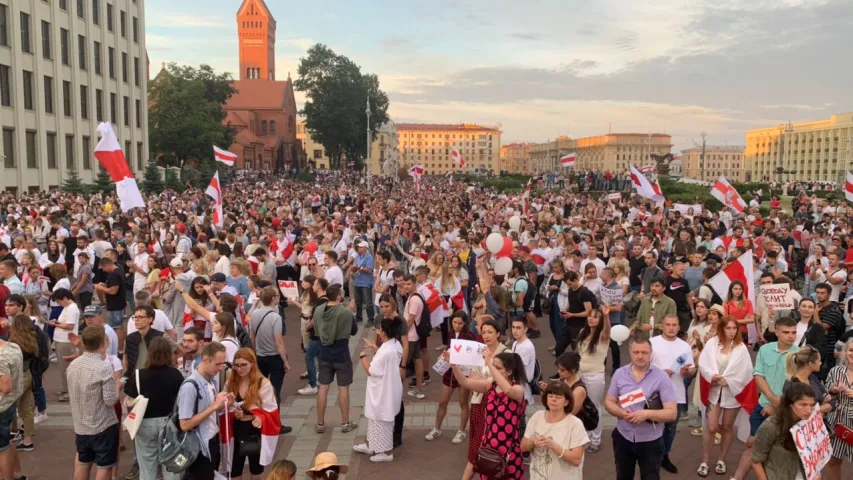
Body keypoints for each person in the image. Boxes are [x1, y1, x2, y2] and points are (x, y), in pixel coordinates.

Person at [731, 316, 798, 480]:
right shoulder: (765, 349)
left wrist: (777, 406)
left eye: (794, 332)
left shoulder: (799, 354)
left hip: (787, 411)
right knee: (752, 443)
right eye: (786, 332)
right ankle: (737, 477)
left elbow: (798, 385)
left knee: (780, 450)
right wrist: (770, 397)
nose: (791, 335)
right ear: (777, 332)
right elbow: (759, 375)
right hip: (762, 405)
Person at [604, 336, 678, 480]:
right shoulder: (619, 374)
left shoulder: (661, 377)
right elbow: (609, 401)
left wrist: (646, 414)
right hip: (623, 437)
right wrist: (620, 412)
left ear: (651, 353)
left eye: (644, 353)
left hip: (651, 441)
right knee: (623, 476)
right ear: (630, 353)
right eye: (636, 352)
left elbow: (672, 413)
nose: (640, 356)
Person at [451, 350, 527, 480]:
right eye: (494, 367)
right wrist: (453, 365)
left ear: (509, 372)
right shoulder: (490, 385)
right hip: (488, 446)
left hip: (508, 450)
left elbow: (508, 390)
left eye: (498, 368)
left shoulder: (518, 390)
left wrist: (489, 364)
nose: (494, 370)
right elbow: (465, 382)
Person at [696, 316, 756, 477]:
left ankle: (722, 459)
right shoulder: (712, 344)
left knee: (728, 426)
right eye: (728, 328)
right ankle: (705, 460)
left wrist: (728, 380)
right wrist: (712, 376)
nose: (731, 331)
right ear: (722, 329)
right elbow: (703, 363)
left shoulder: (741, 348)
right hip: (714, 390)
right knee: (712, 426)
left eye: (734, 328)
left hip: (732, 393)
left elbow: (746, 372)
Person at [123, 336, 183, 480]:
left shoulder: (139, 375)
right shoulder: (176, 374)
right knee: (171, 467)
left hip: (144, 423)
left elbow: (129, 398)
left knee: (147, 466)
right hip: (169, 424)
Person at [66, 325, 117, 480]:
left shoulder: (73, 365)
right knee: (104, 466)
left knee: (83, 462)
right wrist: (117, 386)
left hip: (81, 426)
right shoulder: (104, 367)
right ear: (104, 342)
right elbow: (110, 400)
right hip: (102, 425)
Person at [222, 348, 281, 479]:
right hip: (236, 430)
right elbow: (224, 407)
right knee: (235, 470)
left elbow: (271, 411)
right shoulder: (231, 382)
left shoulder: (263, 383)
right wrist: (233, 412)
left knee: (256, 471)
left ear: (252, 364)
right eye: (236, 365)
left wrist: (259, 417)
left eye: (244, 365)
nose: (240, 369)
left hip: (255, 430)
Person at [177, 341, 232, 479]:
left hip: (211, 442)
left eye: (223, 364)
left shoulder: (210, 380)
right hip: (199, 448)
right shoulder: (190, 386)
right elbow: (184, 424)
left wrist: (224, 406)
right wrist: (214, 406)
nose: (221, 368)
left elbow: (209, 414)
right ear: (206, 360)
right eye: (218, 364)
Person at [650, 314, 696, 474]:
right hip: (653, 393)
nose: (671, 328)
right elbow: (641, 365)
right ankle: (651, 456)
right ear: (662, 326)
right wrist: (660, 373)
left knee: (670, 427)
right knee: (653, 425)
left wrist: (687, 371)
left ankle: (664, 456)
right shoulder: (652, 343)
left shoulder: (685, 346)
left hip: (675, 393)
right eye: (668, 324)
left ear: (678, 327)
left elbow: (692, 369)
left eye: (674, 325)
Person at [352, 318, 403, 462]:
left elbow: (371, 370)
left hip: (382, 391)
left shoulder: (384, 352)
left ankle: (387, 453)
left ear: (385, 332)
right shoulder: (395, 344)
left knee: (382, 420)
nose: (378, 331)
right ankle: (371, 444)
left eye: (380, 329)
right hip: (390, 387)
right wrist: (375, 347)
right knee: (376, 419)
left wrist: (362, 357)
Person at [313, 284, 358, 434]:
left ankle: (320, 423)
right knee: (343, 388)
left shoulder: (318, 310)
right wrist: (351, 312)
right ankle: (345, 423)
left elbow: (316, 330)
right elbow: (353, 331)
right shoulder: (345, 312)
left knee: (323, 388)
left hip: (324, 354)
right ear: (339, 296)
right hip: (341, 354)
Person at [521, 381, 588, 480]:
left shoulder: (575, 424)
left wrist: (553, 445)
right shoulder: (537, 416)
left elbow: (576, 459)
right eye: (550, 396)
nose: (553, 399)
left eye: (558, 397)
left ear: (566, 402)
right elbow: (523, 447)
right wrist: (534, 440)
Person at [750, 381, 816, 480]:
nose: (809, 410)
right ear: (790, 404)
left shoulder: (807, 422)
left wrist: (815, 471)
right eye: (803, 405)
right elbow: (756, 461)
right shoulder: (771, 426)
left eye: (811, 405)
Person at [426, 311, 474, 443]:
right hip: (449, 372)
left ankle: (462, 431)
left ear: (465, 323)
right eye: (454, 322)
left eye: (460, 323)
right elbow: (449, 348)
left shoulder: (469, 337)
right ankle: (437, 428)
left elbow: (471, 357)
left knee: (463, 403)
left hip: (463, 374)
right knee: (442, 401)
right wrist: (445, 354)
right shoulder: (451, 334)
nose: (457, 325)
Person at [248, 286, 291, 425]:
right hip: (274, 357)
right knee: (275, 390)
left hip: (260, 357)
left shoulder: (254, 314)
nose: (279, 298)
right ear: (273, 299)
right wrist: (285, 361)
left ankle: (262, 418)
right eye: (277, 296)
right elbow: (278, 342)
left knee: (261, 389)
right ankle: (275, 421)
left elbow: (252, 336)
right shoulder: (275, 317)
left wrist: (255, 352)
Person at [577, 309, 610, 453]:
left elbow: (607, 330)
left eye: (595, 317)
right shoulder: (582, 333)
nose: (591, 319)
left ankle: (595, 440)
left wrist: (607, 316)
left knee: (595, 407)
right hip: (580, 374)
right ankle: (585, 437)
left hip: (594, 376)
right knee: (581, 406)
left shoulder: (603, 336)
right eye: (590, 317)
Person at [9, 313, 39, 452]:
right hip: (28, 374)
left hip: (17, 376)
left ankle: (9, 436)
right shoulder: (32, 339)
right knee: (26, 410)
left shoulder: (14, 343)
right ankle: (28, 441)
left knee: (8, 407)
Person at [824, 338, 853, 480]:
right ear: (845, 352)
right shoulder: (836, 371)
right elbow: (826, 394)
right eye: (851, 350)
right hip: (837, 422)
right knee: (833, 460)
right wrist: (833, 390)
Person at [290, 274, 319, 395]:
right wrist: (294, 301)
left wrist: (295, 303)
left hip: (308, 320)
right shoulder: (305, 292)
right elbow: (303, 306)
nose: (302, 282)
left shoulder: (313, 294)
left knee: (309, 349)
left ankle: (313, 372)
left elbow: (307, 308)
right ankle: (310, 369)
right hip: (304, 319)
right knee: (307, 347)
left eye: (305, 281)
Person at [49, 288, 78, 402]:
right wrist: (57, 323)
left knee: (66, 367)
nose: (59, 303)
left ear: (65, 298)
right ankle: (65, 388)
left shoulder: (72, 308)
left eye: (59, 301)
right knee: (62, 367)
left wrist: (56, 324)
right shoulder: (67, 307)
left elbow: (70, 326)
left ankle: (69, 391)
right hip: (60, 339)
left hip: (66, 340)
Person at [95, 258, 127, 353]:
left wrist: (100, 287)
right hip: (119, 303)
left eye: (103, 268)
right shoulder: (119, 270)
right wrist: (105, 285)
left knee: (116, 328)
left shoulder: (114, 274)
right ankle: (121, 349)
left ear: (107, 265)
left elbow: (113, 291)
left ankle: (119, 350)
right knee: (120, 326)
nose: (103, 270)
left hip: (115, 305)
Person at [723, 280, 755, 345]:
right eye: (735, 289)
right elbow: (726, 320)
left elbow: (751, 320)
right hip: (730, 332)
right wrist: (744, 320)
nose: (738, 291)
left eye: (740, 289)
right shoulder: (726, 303)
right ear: (731, 290)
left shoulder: (748, 302)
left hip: (743, 332)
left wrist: (733, 320)